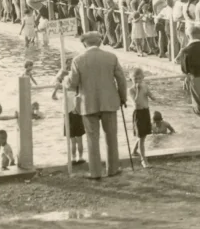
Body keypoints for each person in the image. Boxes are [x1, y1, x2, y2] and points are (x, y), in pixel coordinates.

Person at [66, 32, 128, 179]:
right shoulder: (111, 57)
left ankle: (95, 172)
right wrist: (123, 98)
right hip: (109, 101)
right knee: (111, 137)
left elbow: (72, 83)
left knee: (92, 139)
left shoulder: (78, 60)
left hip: (88, 103)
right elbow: (121, 79)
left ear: (84, 44)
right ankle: (112, 169)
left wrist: (64, 78)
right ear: (99, 42)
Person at [128, 68, 159, 167]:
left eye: (139, 78)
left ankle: (134, 151)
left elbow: (150, 95)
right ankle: (143, 160)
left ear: (143, 78)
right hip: (138, 113)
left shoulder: (145, 86)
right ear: (131, 79)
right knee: (141, 137)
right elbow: (135, 102)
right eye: (135, 79)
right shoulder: (131, 90)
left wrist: (153, 97)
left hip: (146, 111)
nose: (137, 81)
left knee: (144, 135)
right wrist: (138, 90)